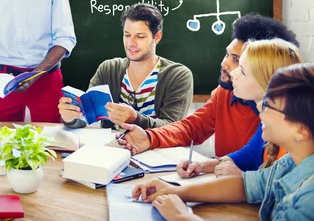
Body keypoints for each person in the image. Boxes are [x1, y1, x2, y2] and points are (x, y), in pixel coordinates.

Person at [131, 62, 314, 221]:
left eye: (268, 105)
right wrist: (176, 191)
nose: (259, 106)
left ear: (301, 130)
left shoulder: (309, 198)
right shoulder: (291, 163)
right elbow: (245, 185)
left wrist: (183, 217)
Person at [118, 14, 298, 157]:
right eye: (226, 54)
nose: (225, 64)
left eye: (237, 61)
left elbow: (259, 173)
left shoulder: (280, 117)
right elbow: (192, 128)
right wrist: (150, 137)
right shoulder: (225, 93)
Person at [177, 38, 303, 179]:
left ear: (266, 81)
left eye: (242, 71)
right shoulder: (268, 119)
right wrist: (203, 166)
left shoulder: (297, 136)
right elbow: (249, 155)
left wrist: (242, 177)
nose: (233, 74)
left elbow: (282, 189)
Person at [58, 3, 193, 129]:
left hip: (156, 151)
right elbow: (86, 117)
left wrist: (135, 118)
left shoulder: (178, 75)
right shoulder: (109, 69)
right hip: (114, 150)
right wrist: (70, 117)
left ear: (157, 37)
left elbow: (172, 128)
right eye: (127, 35)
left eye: (140, 37)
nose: (130, 43)